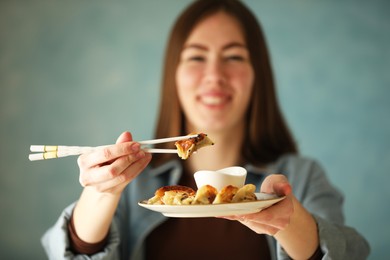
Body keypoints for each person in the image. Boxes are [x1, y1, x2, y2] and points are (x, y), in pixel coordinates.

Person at [42, 0, 370, 259]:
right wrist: (102, 191)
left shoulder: (302, 176)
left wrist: (290, 220)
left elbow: (348, 253)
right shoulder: (135, 182)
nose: (214, 75)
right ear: (174, 74)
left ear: (259, 76)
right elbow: (69, 255)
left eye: (234, 57)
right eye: (197, 57)